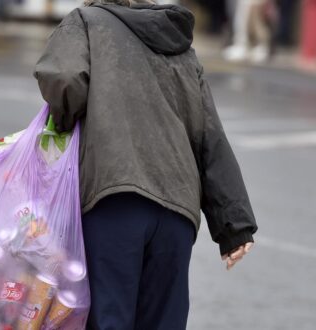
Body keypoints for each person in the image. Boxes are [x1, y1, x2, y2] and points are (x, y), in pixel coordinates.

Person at [33, 0, 258, 329]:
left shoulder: (86, 22)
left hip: (115, 202)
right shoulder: (178, 41)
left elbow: (64, 78)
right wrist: (234, 225)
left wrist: (64, 121)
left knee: (110, 317)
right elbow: (209, 134)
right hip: (177, 211)